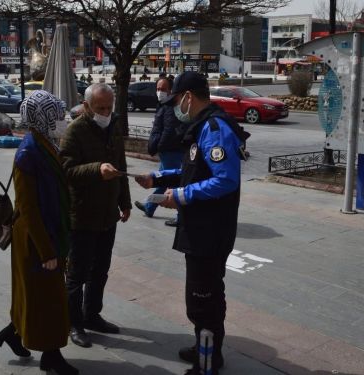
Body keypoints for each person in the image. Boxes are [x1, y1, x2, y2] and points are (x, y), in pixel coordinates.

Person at [135, 72, 248, 375]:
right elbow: (192, 169)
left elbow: (225, 180)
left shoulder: (214, 128)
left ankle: (207, 363)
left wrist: (182, 195)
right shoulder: (201, 127)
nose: (176, 107)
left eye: (177, 100)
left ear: (188, 97)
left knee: (203, 300)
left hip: (209, 230)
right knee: (204, 294)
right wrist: (156, 178)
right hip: (200, 228)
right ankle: (206, 349)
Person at [0, 90, 78, 375]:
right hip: (37, 241)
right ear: (42, 117)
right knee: (50, 298)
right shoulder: (29, 153)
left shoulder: (44, 144)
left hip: (47, 234)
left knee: (35, 295)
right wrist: (47, 251)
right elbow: (28, 209)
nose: (63, 120)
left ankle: (14, 333)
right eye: (57, 115)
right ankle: (51, 356)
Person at [59, 83, 132, 348]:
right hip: (82, 214)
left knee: (100, 271)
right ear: (87, 106)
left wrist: (125, 202)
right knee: (77, 274)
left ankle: (92, 315)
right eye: (100, 107)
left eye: (109, 107)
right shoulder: (75, 131)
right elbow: (65, 170)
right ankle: (74, 323)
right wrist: (96, 169)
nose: (105, 112)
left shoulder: (113, 128)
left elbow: (121, 167)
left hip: (107, 214)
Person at [134, 76, 186, 226]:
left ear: (171, 90)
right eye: (157, 89)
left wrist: (159, 146)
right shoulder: (164, 105)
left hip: (171, 150)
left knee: (174, 182)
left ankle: (181, 215)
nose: (159, 92)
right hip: (168, 150)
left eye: (163, 89)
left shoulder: (170, 107)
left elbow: (169, 131)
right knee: (162, 180)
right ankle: (149, 206)